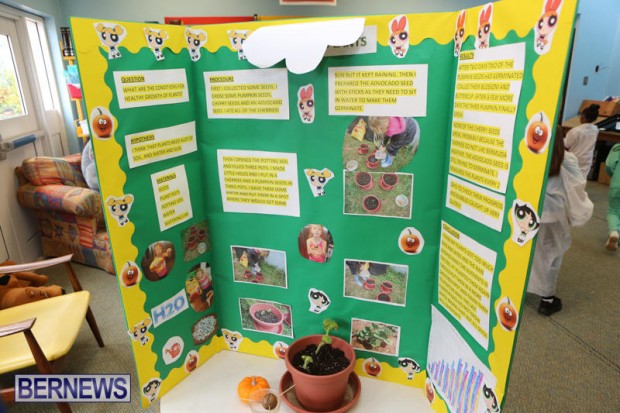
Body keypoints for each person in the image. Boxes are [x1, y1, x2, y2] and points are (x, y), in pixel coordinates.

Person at [528, 132, 593, 315]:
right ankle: (547, 301)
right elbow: (576, 186)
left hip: (529, 213)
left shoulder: (530, 157)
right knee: (551, 256)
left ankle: (520, 288)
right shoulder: (567, 159)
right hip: (554, 216)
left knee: (527, 252)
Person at [564, 103, 600, 179]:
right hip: (586, 160)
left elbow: (566, 145)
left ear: (583, 116)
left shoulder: (575, 131)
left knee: (570, 180)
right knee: (581, 181)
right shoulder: (595, 129)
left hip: (573, 159)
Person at [605, 143, 620, 251]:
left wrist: (614, 175)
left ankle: (614, 232)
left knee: (613, 210)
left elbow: (609, 166)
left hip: (617, 184)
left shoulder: (617, 147)